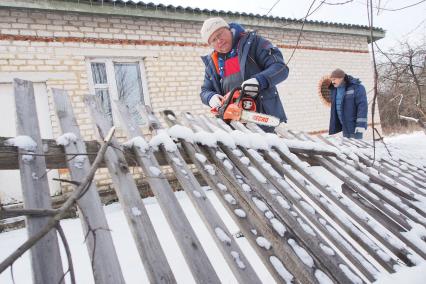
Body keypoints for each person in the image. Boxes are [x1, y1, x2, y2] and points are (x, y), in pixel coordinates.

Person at [199, 17, 289, 132]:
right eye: (213, 40)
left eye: (220, 34)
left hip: (264, 119)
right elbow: (205, 90)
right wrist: (210, 98)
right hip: (233, 125)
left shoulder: (253, 43)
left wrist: (259, 81)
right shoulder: (213, 63)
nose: (219, 41)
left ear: (228, 29)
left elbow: (280, 68)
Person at [328, 68, 368, 139]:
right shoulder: (334, 90)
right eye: (331, 80)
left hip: (355, 126)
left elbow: (362, 106)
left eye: (334, 79)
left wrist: (361, 125)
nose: (332, 81)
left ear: (341, 78)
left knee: (357, 146)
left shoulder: (357, 87)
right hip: (344, 126)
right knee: (349, 147)